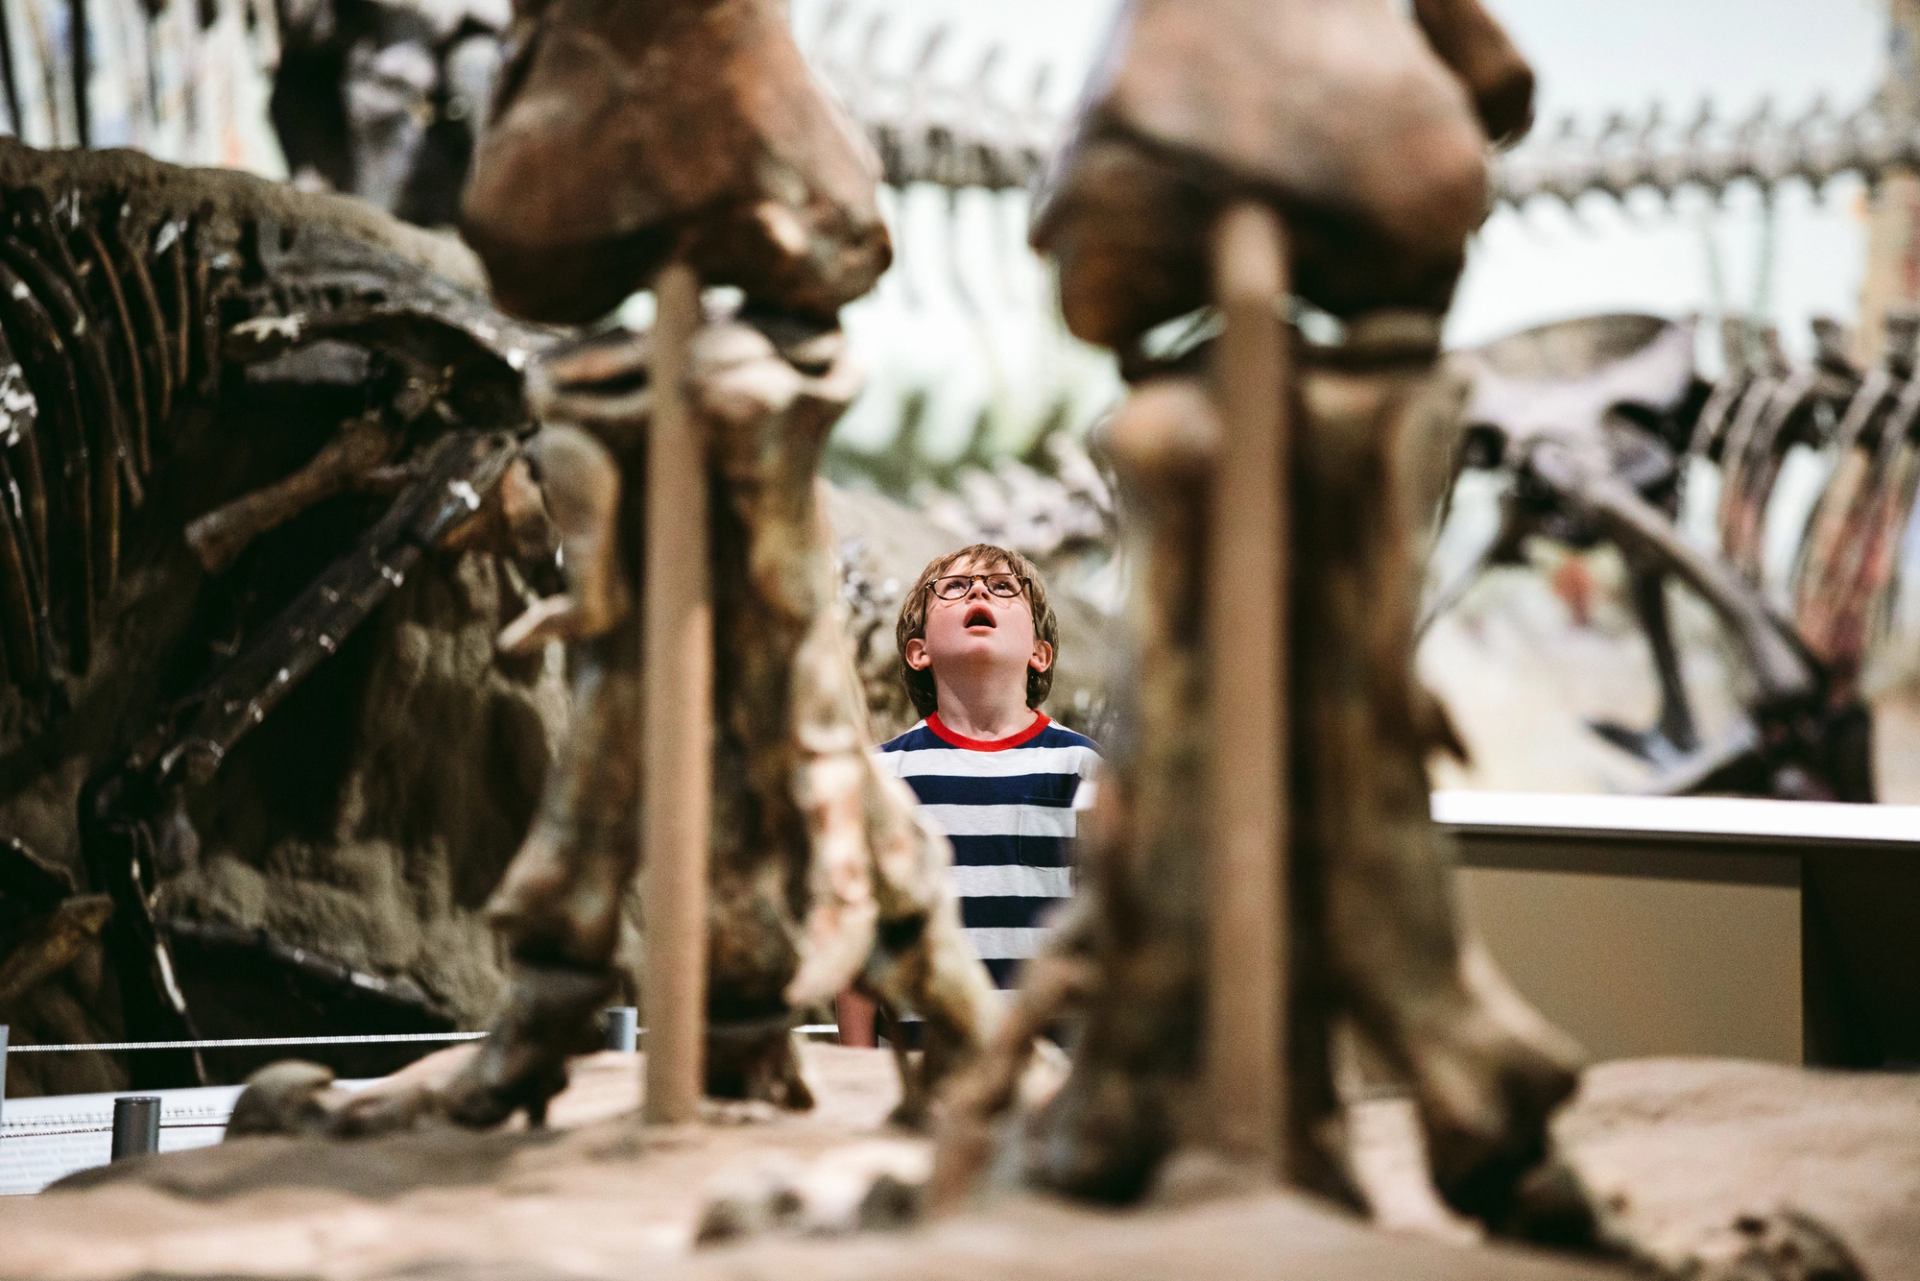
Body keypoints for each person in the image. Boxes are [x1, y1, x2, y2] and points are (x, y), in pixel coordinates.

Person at [866, 544, 1101, 1009]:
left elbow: (1105, 927)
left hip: (1044, 1042)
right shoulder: (882, 777)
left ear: (1039, 652)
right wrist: (856, 1049)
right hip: (921, 1045)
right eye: (954, 587)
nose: (978, 591)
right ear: (919, 651)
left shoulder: (1081, 767)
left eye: (1003, 587)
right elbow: (867, 931)